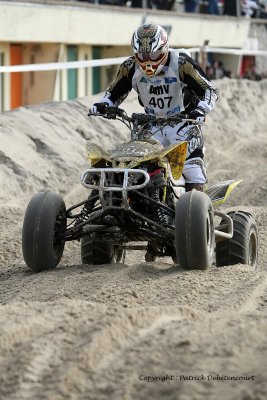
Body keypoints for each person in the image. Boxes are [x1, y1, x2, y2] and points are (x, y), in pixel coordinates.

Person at [89, 23, 218, 192]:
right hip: (150, 125)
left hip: (184, 124)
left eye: (155, 54)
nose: (148, 60)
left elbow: (209, 89)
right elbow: (113, 93)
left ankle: (195, 209)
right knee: (134, 166)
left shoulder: (181, 63)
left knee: (192, 171)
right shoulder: (130, 67)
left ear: (165, 48)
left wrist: (201, 109)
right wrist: (102, 105)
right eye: (142, 55)